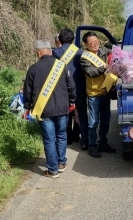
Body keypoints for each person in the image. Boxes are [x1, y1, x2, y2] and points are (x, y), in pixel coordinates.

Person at [23, 39, 76, 178]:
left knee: (49, 139)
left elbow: (27, 91)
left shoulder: (33, 69)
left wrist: (27, 107)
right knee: (62, 136)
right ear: (50, 51)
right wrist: (72, 101)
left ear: (38, 52)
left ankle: (52, 170)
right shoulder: (61, 65)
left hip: (44, 110)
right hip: (62, 108)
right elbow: (71, 86)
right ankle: (61, 163)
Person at [79, 31, 117, 158]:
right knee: (93, 122)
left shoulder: (104, 51)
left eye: (96, 42)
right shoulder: (84, 58)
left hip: (106, 92)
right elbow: (91, 72)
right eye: (91, 43)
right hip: (94, 95)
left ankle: (103, 143)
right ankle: (92, 146)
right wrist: (105, 67)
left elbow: (114, 50)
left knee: (106, 120)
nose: (95, 45)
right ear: (85, 44)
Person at [52, 28, 84, 147]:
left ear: (59, 39)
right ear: (73, 40)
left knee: (65, 114)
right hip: (79, 88)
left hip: (63, 89)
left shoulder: (56, 53)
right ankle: (80, 137)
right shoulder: (80, 52)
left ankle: (68, 138)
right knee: (79, 114)